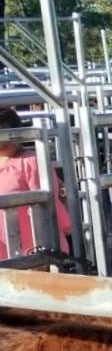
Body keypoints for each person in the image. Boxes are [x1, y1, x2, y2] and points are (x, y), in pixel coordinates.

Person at [0, 107, 71, 259]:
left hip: (33, 252)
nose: (2, 139)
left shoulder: (32, 163)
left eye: (6, 132)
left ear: (18, 133)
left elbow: (52, 210)